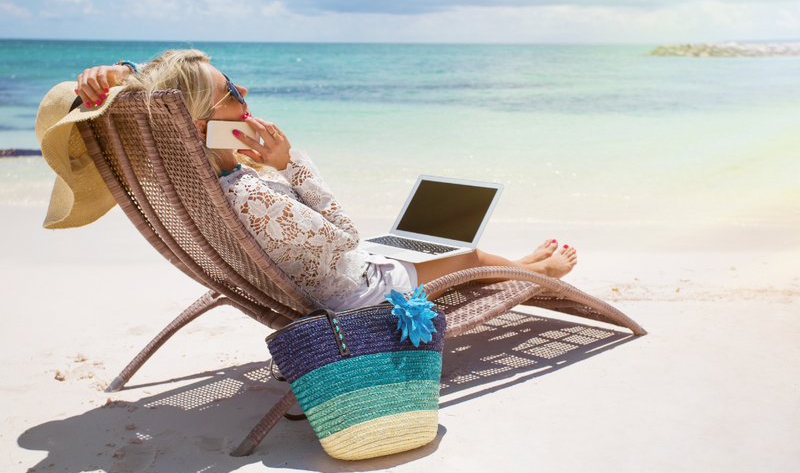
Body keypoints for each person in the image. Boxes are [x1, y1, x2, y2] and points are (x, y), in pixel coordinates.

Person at [74, 49, 578, 311]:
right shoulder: (249, 191)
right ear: (204, 124)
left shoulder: (201, 183)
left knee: (426, 247)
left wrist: (119, 74)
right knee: (464, 255)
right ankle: (539, 274)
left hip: (313, 276)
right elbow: (346, 238)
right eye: (232, 90)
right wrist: (290, 165)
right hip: (350, 291)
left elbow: (158, 98)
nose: (245, 91)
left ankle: (518, 264)